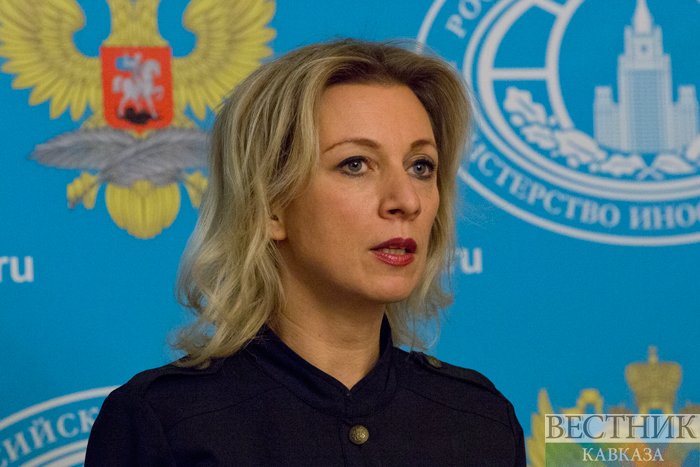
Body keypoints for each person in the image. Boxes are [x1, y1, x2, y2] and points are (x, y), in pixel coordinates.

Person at [85, 38, 526, 466]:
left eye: (420, 166)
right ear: (269, 205)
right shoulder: (162, 423)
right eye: (355, 164)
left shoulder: (482, 422)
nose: (406, 200)